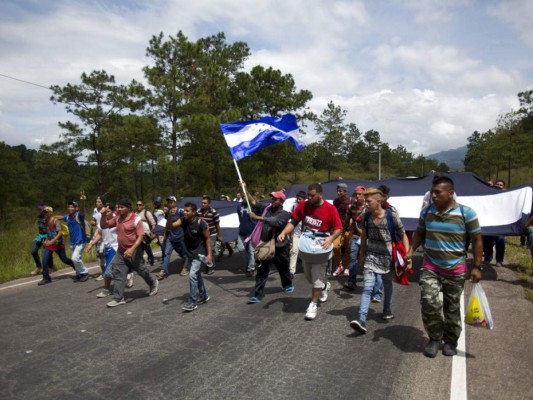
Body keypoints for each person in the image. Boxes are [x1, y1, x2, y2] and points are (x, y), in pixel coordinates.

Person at [405, 176, 482, 357]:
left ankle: (450, 341)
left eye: (438, 192)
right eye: (432, 192)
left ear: (450, 193)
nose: (433, 195)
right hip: (430, 266)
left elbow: (477, 240)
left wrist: (477, 266)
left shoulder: (466, 213)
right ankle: (434, 337)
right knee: (429, 302)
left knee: (452, 308)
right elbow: (419, 233)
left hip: (455, 269)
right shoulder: (426, 212)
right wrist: (410, 251)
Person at [349, 187, 410, 334]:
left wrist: (408, 256)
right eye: (365, 200)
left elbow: (403, 235)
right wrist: (362, 255)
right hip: (371, 256)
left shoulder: (391, 215)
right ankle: (361, 319)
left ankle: (387, 309)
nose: (366, 203)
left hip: (387, 257)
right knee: (367, 287)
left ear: (378, 201)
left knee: (387, 284)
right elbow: (364, 237)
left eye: (368, 201)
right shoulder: (366, 216)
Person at [278, 183, 342, 321]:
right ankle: (324, 286)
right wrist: (283, 232)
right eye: (308, 195)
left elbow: (338, 228)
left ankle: (313, 304)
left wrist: (331, 238)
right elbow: (293, 221)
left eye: (312, 196)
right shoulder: (304, 206)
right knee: (309, 276)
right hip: (307, 244)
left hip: (321, 246)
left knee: (317, 277)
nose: (309, 198)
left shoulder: (330, 209)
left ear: (320, 195)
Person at [100, 199, 159, 307]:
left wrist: (132, 249)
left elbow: (140, 236)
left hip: (134, 251)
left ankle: (153, 283)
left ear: (128, 208)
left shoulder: (136, 219)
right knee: (118, 273)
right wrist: (103, 215)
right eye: (118, 207)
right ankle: (118, 298)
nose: (119, 209)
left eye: (122, 207)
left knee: (141, 270)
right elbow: (104, 225)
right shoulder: (118, 219)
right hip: (121, 251)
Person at [246, 190, 293, 303]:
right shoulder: (266, 208)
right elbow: (253, 202)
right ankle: (257, 294)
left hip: (280, 246)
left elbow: (275, 222)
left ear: (281, 201)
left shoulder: (284, 213)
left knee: (283, 268)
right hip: (266, 245)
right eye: (272, 198)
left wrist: (257, 218)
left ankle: (287, 283)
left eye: (275, 199)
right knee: (262, 270)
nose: (272, 200)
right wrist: (245, 188)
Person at [168, 202, 212, 312]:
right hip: (190, 253)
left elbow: (207, 239)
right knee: (197, 275)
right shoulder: (183, 220)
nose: (185, 212)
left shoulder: (201, 223)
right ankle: (204, 295)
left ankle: (192, 301)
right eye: (184, 210)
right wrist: (169, 216)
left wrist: (210, 255)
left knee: (192, 275)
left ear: (193, 212)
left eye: (187, 211)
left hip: (200, 253)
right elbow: (171, 226)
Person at [38, 207, 76, 285]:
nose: (45, 214)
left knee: (64, 259)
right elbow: (48, 233)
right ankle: (46, 278)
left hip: (58, 244)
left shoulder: (56, 221)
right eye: (44, 212)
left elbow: (60, 233)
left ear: (50, 213)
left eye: (46, 212)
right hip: (50, 245)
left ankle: (76, 266)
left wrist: (52, 241)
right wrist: (46, 240)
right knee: (44, 260)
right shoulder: (45, 221)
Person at [85, 216, 118, 298]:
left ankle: (106, 290)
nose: (106, 212)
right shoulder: (102, 223)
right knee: (117, 269)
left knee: (107, 271)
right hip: (107, 248)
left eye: (108, 210)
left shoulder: (117, 220)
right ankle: (128, 273)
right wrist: (91, 245)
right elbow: (99, 234)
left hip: (115, 248)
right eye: (105, 211)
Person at [156, 196, 188, 280]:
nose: (169, 203)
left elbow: (185, 222)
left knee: (184, 254)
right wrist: (166, 234)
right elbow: (167, 224)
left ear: (175, 202)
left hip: (180, 237)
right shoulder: (167, 213)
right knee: (166, 254)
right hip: (171, 237)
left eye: (171, 202)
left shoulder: (180, 211)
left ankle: (184, 267)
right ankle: (164, 271)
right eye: (168, 202)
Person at [342, 186, 366, 291]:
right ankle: (352, 281)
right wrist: (343, 234)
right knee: (353, 259)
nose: (358, 196)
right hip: (355, 237)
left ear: (364, 194)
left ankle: (370, 284)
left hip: (368, 238)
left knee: (368, 260)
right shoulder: (351, 207)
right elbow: (346, 221)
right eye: (356, 194)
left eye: (360, 194)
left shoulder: (369, 206)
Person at [62, 193, 90, 282]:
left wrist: (82, 201)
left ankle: (84, 272)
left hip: (81, 241)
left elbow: (82, 209)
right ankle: (79, 274)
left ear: (76, 208)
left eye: (72, 207)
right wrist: (51, 217)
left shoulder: (79, 216)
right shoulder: (67, 217)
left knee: (75, 258)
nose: (70, 208)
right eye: (69, 206)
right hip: (72, 242)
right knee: (77, 259)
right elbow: (60, 217)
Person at [482, 179, 506, 267]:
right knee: (487, 241)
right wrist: (488, 187)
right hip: (489, 222)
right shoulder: (490, 194)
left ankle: (499, 260)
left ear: (504, 187)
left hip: (500, 224)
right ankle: (487, 258)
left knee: (500, 241)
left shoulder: (506, 195)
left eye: (501, 185)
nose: (498, 186)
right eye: (497, 184)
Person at [197, 196, 222, 275]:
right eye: (202, 203)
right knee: (203, 251)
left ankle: (211, 267)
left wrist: (220, 235)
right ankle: (207, 265)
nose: (203, 204)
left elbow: (217, 225)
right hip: (202, 234)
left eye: (205, 203)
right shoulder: (198, 211)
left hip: (212, 234)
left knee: (211, 250)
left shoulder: (214, 212)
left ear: (209, 204)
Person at [236, 190, 257, 277]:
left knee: (251, 251)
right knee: (241, 249)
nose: (245, 198)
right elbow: (240, 217)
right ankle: (250, 263)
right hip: (242, 232)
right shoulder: (239, 206)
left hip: (252, 232)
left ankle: (251, 268)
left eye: (246, 196)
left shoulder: (254, 206)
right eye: (243, 196)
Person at [332, 183, 351, 276]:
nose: (338, 193)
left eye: (340, 191)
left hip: (348, 229)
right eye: (338, 191)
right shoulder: (335, 201)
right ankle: (339, 266)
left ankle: (347, 267)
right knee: (335, 247)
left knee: (348, 249)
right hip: (338, 228)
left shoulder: (350, 202)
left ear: (345, 192)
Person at [30, 204, 52, 276]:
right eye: (39, 209)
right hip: (40, 236)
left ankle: (49, 267)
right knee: (33, 251)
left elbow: (51, 228)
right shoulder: (39, 217)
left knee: (46, 252)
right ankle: (38, 267)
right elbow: (40, 227)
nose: (41, 210)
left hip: (47, 236)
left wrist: (48, 238)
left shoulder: (48, 216)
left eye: (42, 209)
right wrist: (37, 236)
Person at [288, 190, 307, 275]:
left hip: (305, 234)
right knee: (294, 250)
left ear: (304, 199)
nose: (298, 201)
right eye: (297, 199)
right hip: (296, 232)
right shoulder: (293, 206)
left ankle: (306, 268)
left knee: (304, 252)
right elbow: (290, 220)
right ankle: (291, 270)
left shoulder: (308, 207)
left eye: (300, 199)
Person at [136, 200, 156, 266]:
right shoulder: (135, 214)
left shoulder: (147, 213)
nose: (138, 206)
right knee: (140, 247)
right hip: (138, 233)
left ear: (143, 206)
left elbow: (153, 223)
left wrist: (153, 233)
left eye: (140, 205)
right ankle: (141, 261)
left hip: (146, 233)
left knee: (146, 247)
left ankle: (151, 259)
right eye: (137, 205)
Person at [92, 196, 106, 280]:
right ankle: (103, 272)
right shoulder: (95, 210)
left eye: (99, 201)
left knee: (104, 252)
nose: (97, 203)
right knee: (99, 254)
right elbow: (93, 220)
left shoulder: (106, 210)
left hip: (106, 234)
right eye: (96, 201)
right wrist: (92, 222)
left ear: (103, 203)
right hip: (98, 233)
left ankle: (110, 271)